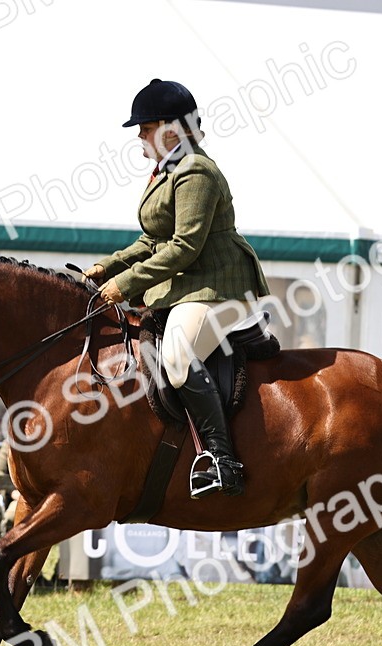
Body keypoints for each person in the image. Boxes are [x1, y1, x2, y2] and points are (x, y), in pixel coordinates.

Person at [84, 79, 270, 500]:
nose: (139, 136)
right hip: (186, 288)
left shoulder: (196, 172)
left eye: (145, 127)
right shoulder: (167, 172)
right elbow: (151, 241)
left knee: (177, 357)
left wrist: (125, 284)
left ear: (172, 129)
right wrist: (105, 268)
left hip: (219, 290)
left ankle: (223, 461)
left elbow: (184, 248)